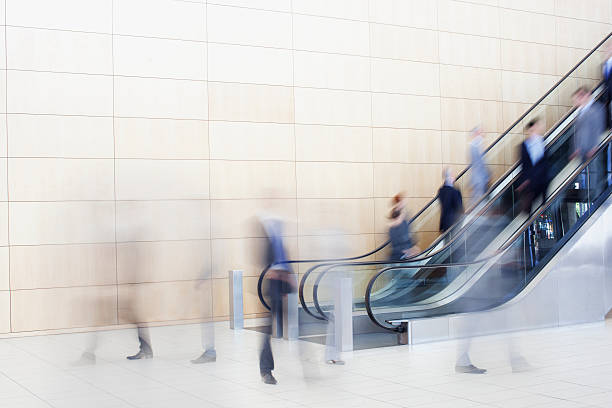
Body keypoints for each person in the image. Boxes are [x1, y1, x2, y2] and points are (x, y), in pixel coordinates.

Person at [259, 215, 296, 385]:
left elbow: (285, 261)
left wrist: (290, 279)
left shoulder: (280, 240)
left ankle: (308, 367)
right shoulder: (264, 236)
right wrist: (271, 271)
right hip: (273, 284)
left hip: (283, 283)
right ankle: (266, 370)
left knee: (294, 323)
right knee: (269, 328)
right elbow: (261, 260)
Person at [571, 86, 606, 198]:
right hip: (582, 150)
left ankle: (597, 196)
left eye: (579, 97)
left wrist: (594, 146)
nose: (577, 101)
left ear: (586, 95)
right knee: (585, 173)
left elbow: (598, 128)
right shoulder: (581, 111)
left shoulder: (596, 108)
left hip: (591, 148)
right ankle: (588, 195)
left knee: (594, 172)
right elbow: (578, 132)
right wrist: (576, 148)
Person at [518, 117, 549, 214]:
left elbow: (545, 161)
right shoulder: (524, 144)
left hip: (543, 180)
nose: (534, 131)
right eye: (531, 130)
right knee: (529, 207)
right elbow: (524, 164)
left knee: (542, 205)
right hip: (531, 181)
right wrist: (524, 180)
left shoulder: (543, 141)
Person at [387, 194, 418, 261]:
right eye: (402, 201)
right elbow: (398, 241)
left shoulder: (404, 217)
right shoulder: (394, 226)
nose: (404, 203)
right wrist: (407, 250)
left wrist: (413, 247)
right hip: (400, 257)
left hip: (404, 254)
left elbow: (408, 235)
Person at [438, 168, 464, 233]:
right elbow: (459, 207)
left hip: (444, 223)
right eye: (452, 175)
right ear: (448, 177)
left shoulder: (441, 190)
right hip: (454, 223)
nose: (454, 177)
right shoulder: (454, 191)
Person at [469, 126, 490, 204]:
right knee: (478, 201)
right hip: (478, 179)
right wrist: (486, 175)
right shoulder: (474, 145)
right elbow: (479, 163)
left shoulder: (478, 145)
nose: (483, 134)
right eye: (481, 132)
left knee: (480, 201)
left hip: (481, 178)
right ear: (476, 133)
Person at [602, 42, 612, 127]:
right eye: (607, 48)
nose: (608, 50)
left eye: (610, 48)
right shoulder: (604, 65)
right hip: (608, 100)